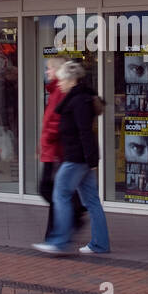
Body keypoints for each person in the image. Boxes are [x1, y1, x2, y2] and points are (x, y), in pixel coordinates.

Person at [34, 60, 111, 256]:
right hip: (81, 158)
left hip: (76, 158)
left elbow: (84, 132)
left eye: (62, 80)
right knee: (92, 200)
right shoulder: (79, 98)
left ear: (71, 79)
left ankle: (59, 241)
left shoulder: (78, 101)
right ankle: (100, 244)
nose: (59, 83)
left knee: (60, 195)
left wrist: (91, 160)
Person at [38, 56, 85, 238]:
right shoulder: (54, 91)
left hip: (56, 151)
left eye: (49, 69)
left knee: (50, 191)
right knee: (55, 192)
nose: (46, 72)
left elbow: (56, 121)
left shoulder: (59, 91)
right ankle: (54, 233)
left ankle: (72, 214)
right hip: (51, 150)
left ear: (57, 71)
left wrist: (48, 139)